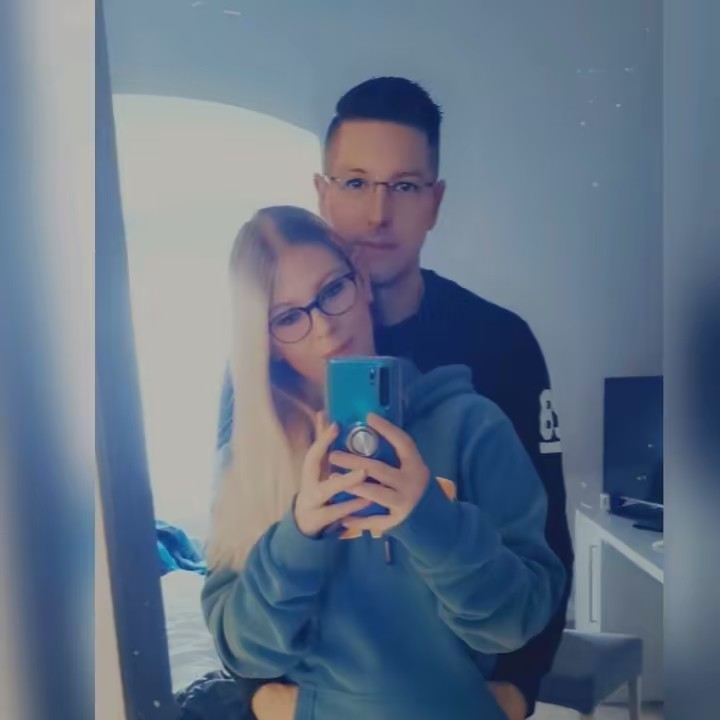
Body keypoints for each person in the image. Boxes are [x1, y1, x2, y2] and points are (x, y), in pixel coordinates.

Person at [215, 77, 574, 720]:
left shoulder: (497, 349)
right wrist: (261, 696)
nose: (377, 214)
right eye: (355, 182)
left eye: (404, 186)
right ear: (323, 193)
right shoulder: (260, 382)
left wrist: (518, 691)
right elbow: (236, 572)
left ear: (434, 202)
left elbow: (545, 545)